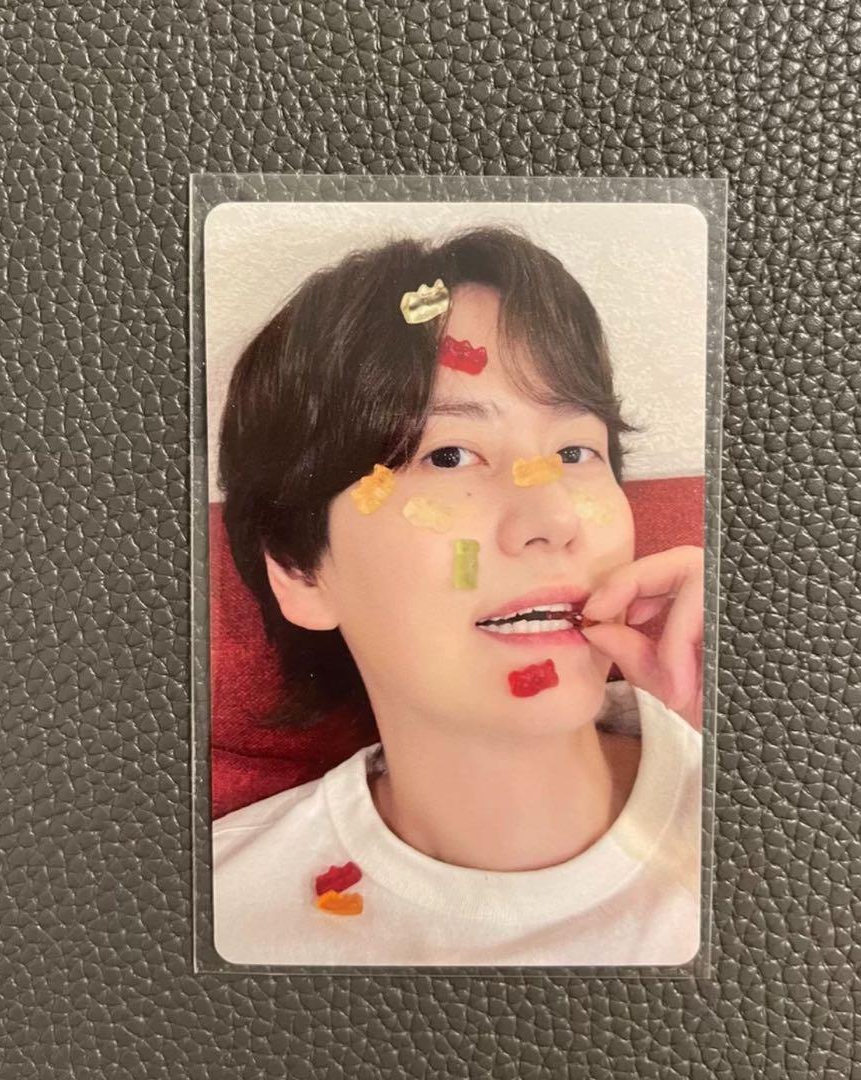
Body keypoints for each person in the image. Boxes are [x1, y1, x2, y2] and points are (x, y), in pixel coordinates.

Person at [211, 225, 704, 966]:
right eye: (448, 456)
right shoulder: (218, 914)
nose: (553, 519)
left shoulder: (800, 796)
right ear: (300, 572)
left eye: (575, 451)